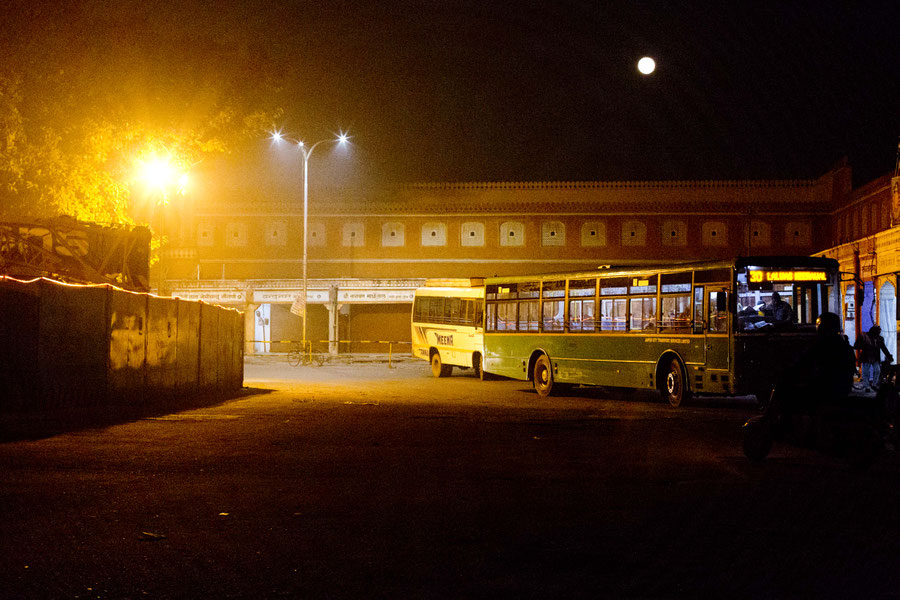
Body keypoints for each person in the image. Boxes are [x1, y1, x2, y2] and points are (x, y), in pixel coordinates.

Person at [854, 325, 893, 391]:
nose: (878, 333)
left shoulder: (879, 338)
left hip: (875, 357)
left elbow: (883, 348)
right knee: (866, 372)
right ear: (873, 331)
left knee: (877, 370)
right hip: (866, 357)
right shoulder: (864, 337)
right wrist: (862, 344)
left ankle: (874, 384)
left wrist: (888, 356)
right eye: (877, 332)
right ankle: (867, 387)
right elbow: (856, 346)